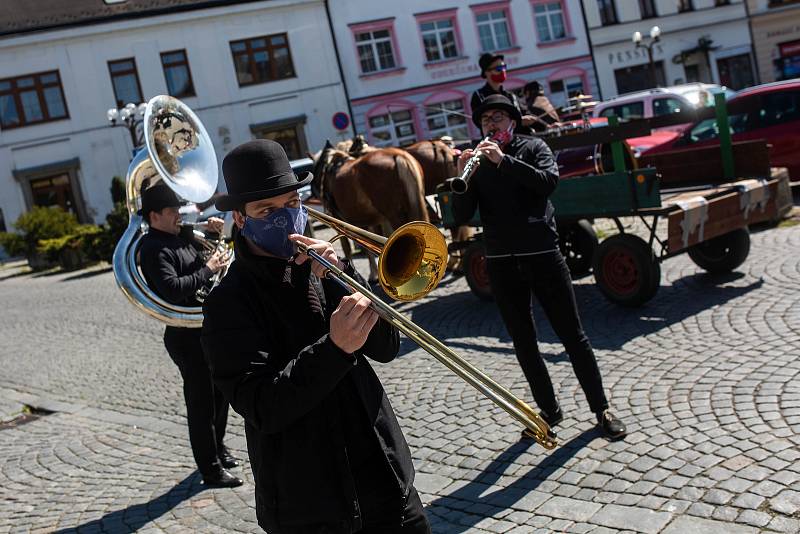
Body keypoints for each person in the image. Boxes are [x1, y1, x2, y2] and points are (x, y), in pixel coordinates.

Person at [200, 139, 431, 534]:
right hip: (310, 508)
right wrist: (336, 349)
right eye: (266, 210)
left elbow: (388, 348)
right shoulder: (227, 303)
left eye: (292, 203)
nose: (285, 217)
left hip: (387, 482)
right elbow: (263, 407)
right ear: (240, 219)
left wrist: (346, 274)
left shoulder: (323, 268)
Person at [451, 95, 627, 441]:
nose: (491, 125)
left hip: (542, 254)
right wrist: (462, 178)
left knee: (572, 336)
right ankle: (549, 410)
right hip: (502, 260)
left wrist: (504, 162)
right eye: (485, 120)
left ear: (512, 121)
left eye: (497, 118)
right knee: (523, 342)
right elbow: (461, 215)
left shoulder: (533, 147)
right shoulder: (477, 161)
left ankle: (601, 409)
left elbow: (547, 182)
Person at [138, 182, 242, 488]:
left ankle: (219, 448)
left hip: (206, 327)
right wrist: (209, 269)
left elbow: (203, 253)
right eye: (172, 212)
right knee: (201, 405)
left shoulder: (178, 236)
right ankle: (210, 470)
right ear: (154, 216)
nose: (177, 217)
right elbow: (173, 289)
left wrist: (212, 233)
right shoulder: (153, 249)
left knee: (220, 394)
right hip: (185, 335)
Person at [470, 53, 536, 130]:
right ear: (486, 72)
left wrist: (533, 119)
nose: (503, 71)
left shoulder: (510, 95)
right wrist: (518, 121)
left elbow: (526, 113)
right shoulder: (479, 96)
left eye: (503, 67)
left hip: (520, 138)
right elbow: (482, 123)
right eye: (498, 69)